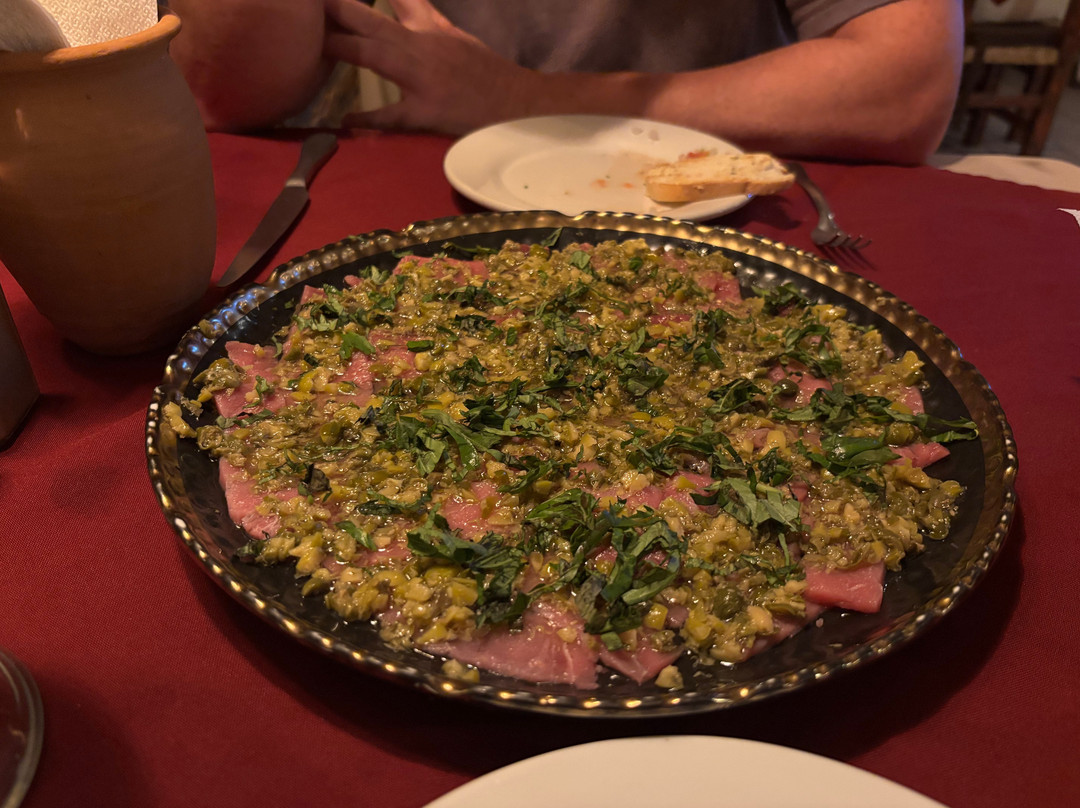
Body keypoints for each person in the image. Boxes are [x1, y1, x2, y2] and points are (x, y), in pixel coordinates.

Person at [168, 0, 964, 164]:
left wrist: (520, 99)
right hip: (443, 196)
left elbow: (902, 89)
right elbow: (231, 97)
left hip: (729, 202)